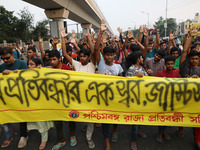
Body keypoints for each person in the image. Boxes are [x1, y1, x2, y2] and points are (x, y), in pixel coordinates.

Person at [60, 27, 96, 149]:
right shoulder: (76, 64)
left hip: (91, 96)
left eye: (84, 56)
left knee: (91, 117)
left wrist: (90, 38)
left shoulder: (92, 65)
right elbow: (64, 54)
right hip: (78, 96)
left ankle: (88, 137)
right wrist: (63, 38)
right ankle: (73, 135)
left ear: (88, 57)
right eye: (80, 56)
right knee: (74, 115)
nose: (82, 58)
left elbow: (94, 51)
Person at [95, 19, 123, 150]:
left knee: (116, 117)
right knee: (105, 120)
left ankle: (115, 130)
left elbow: (122, 83)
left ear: (114, 55)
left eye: (112, 55)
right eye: (107, 55)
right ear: (104, 56)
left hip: (115, 97)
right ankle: (107, 142)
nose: (110, 57)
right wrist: (100, 33)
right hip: (103, 97)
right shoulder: (101, 63)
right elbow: (96, 49)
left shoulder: (118, 67)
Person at [0, 47, 28, 148]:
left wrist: (11, 74)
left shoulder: (22, 64)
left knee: (21, 116)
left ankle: (23, 136)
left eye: (7, 58)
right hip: (7, 97)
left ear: (12, 55)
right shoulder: (2, 67)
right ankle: (8, 136)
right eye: (3, 59)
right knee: (4, 115)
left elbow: (26, 79)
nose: (5, 60)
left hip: (20, 96)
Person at [178, 27, 200, 149]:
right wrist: (190, 37)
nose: (194, 61)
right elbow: (185, 51)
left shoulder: (199, 69)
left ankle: (197, 140)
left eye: (196, 59)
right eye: (192, 59)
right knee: (181, 115)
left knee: (197, 119)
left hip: (196, 100)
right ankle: (180, 128)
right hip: (182, 97)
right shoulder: (183, 66)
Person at [27, 58, 54, 150]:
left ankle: (44, 140)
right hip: (31, 104)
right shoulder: (24, 75)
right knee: (36, 121)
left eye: (31, 64)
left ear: (38, 66)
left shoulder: (44, 74)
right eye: (28, 64)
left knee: (41, 121)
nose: (29, 66)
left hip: (42, 103)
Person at [49, 50, 72, 150]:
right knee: (58, 122)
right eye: (50, 60)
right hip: (56, 100)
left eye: (54, 59)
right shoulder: (50, 70)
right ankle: (61, 140)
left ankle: (72, 135)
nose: (52, 62)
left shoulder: (67, 69)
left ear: (59, 59)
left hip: (68, 99)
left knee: (72, 117)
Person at [156, 56, 181, 143]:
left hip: (172, 101)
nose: (170, 66)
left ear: (174, 64)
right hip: (162, 100)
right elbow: (156, 86)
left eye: (172, 64)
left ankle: (163, 131)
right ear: (165, 64)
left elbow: (181, 86)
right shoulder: (159, 73)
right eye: (168, 64)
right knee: (161, 117)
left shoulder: (177, 74)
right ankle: (160, 133)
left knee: (168, 117)